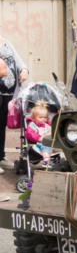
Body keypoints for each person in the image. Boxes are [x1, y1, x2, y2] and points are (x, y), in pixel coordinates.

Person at [0, 35, 28, 172]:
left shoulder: (6, 43)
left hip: (8, 93)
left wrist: (24, 70)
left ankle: (1, 157)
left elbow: (18, 60)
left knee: (1, 126)